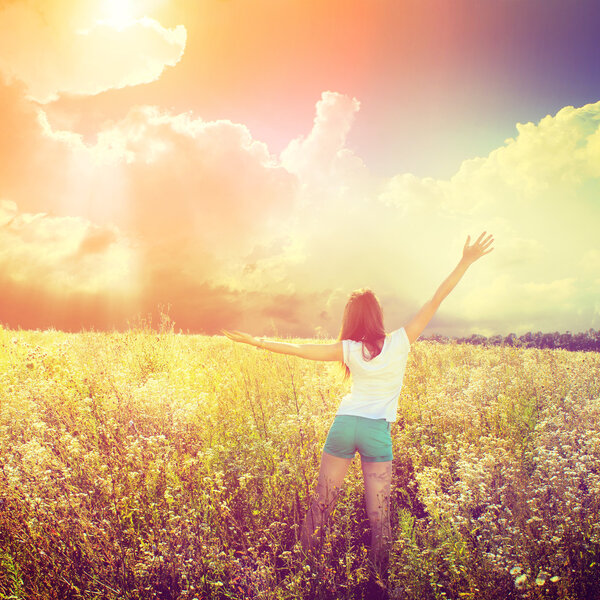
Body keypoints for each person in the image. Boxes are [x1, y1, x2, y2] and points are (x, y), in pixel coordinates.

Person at [223, 232, 494, 579]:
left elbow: (299, 349)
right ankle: (379, 579)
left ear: (351, 318)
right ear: (378, 314)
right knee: (379, 515)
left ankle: (298, 570)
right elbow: (436, 299)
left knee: (321, 502)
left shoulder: (348, 348)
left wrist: (256, 342)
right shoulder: (401, 341)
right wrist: (466, 261)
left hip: (345, 423)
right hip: (375, 431)